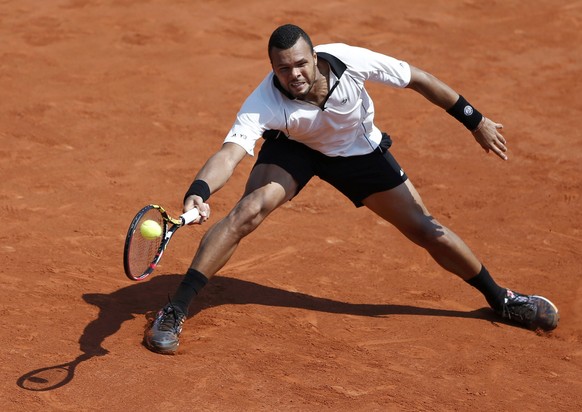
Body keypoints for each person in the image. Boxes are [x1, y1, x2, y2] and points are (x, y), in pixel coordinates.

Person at [144, 24, 559, 354]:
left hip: (359, 153)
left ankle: (501, 300)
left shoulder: (350, 61)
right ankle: (175, 309)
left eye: (301, 64)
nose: (295, 75)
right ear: (273, 68)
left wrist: (475, 120)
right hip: (297, 149)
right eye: (284, 69)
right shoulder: (264, 101)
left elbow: (420, 79)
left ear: (315, 56)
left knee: (426, 229)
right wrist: (200, 190)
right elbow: (230, 153)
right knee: (248, 211)